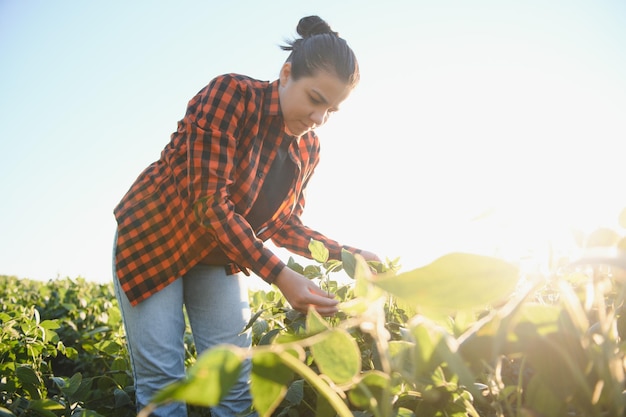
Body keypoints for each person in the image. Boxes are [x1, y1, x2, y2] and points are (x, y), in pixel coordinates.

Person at [112, 15, 380, 417]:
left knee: (235, 387)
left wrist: (348, 256)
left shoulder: (308, 151)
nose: (319, 119)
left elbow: (284, 223)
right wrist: (281, 276)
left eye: (332, 111)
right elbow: (209, 203)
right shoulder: (231, 95)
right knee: (163, 385)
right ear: (286, 73)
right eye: (315, 99)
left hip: (218, 256)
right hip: (155, 238)